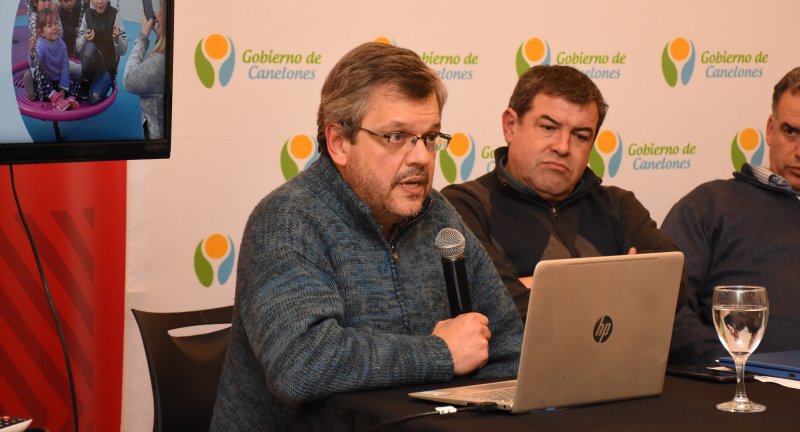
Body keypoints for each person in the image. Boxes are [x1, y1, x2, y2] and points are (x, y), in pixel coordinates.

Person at [210, 42, 523, 430]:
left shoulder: (438, 214)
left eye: (430, 137)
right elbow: (301, 364)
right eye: (396, 137)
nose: (422, 157)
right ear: (339, 142)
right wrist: (440, 352)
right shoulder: (288, 219)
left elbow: (511, 349)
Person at [441, 65, 685, 321]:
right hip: (520, 362)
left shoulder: (619, 204)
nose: (562, 147)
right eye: (548, 128)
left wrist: (537, 284)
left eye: (580, 136)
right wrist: (619, 283)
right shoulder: (465, 205)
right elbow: (500, 304)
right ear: (510, 126)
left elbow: (673, 283)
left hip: (622, 360)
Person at [663, 66, 800, 366]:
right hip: (741, 392)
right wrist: (733, 367)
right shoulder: (710, 205)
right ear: (770, 129)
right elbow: (664, 308)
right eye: (791, 131)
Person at [123, 0, 167, 139]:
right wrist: (162, 35)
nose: (158, 13)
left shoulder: (159, 62)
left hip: (157, 142)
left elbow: (128, 80)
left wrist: (143, 35)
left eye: (161, 9)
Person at [75, 0, 127, 104]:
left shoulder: (115, 15)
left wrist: (117, 39)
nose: (100, 2)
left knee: (94, 99)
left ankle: (99, 80)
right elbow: (78, 48)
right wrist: (85, 38)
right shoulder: (87, 14)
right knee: (89, 48)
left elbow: (123, 51)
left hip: (108, 65)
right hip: (92, 60)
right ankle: (86, 80)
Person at [29, 7, 79, 111]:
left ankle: (68, 99)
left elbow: (65, 67)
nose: (54, 27)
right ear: (41, 32)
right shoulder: (41, 45)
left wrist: (63, 89)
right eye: (49, 25)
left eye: (56, 24)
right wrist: (32, 53)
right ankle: (56, 100)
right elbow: (35, 63)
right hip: (46, 87)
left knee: (77, 81)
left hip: (57, 83)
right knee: (40, 73)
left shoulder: (61, 45)